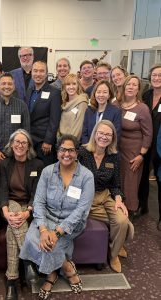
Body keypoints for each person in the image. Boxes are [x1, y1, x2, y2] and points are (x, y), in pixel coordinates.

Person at [19, 135, 95, 299]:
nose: (66, 154)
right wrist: (44, 229)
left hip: (72, 223)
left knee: (52, 245)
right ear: (57, 151)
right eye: (62, 150)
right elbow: (38, 202)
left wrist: (58, 232)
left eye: (71, 150)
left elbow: (81, 210)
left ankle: (53, 275)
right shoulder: (47, 172)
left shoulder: (86, 176)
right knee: (32, 238)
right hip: (47, 218)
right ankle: (66, 265)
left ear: (77, 153)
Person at [79, 120, 134, 273]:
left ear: (113, 138)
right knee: (126, 226)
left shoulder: (114, 156)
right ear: (95, 134)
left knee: (122, 220)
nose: (104, 137)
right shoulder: (82, 152)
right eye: (101, 133)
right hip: (85, 198)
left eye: (108, 134)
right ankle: (119, 241)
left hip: (105, 196)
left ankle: (113, 254)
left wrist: (118, 200)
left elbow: (116, 184)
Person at [0, 129, 43, 300]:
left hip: (29, 206)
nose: (20, 145)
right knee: (15, 215)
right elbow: (1, 190)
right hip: (10, 204)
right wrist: (5, 212)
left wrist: (28, 211)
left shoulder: (37, 165)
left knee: (12, 231)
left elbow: (37, 193)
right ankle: (29, 262)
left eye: (24, 142)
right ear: (11, 144)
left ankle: (11, 281)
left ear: (29, 146)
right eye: (17, 141)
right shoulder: (5, 164)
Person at [116, 75, 153, 220]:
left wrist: (141, 155)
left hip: (134, 152)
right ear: (124, 87)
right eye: (128, 84)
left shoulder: (142, 108)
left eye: (134, 85)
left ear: (138, 89)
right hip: (117, 149)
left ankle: (129, 213)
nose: (131, 87)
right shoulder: (116, 104)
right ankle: (117, 208)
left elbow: (148, 134)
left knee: (130, 183)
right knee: (117, 179)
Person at [0, 73, 30, 161]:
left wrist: (20, 151)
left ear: (14, 86)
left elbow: (26, 131)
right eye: (3, 84)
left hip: (18, 154)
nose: (7, 86)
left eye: (10, 84)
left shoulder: (22, 106)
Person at [26, 61, 61, 166]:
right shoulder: (29, 90)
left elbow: (54, 119)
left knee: (45, 171)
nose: (38, 74)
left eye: (42, 71)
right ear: (31, 73)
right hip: (30, 140)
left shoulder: (54, 92)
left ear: (46, 74)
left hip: (44, 142)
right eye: (35, 71)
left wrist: (48, 140)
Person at [138, 64, 161, 226]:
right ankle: (142, 205)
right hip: (145, 142)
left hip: (160, 145)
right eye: (154, 75)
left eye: (160, 75)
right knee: (143, 176)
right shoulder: (146, 95)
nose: (157, 78)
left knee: (160, 180)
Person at [58, 73, 88, 141]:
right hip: (60, 141)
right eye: (68, 84)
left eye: (74, 84)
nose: (71, 87)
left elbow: (78, 128)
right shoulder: (64, 103)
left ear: (78, 86)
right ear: (64, 87)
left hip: (72, 143)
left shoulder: (82, 102)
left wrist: (69, 143)